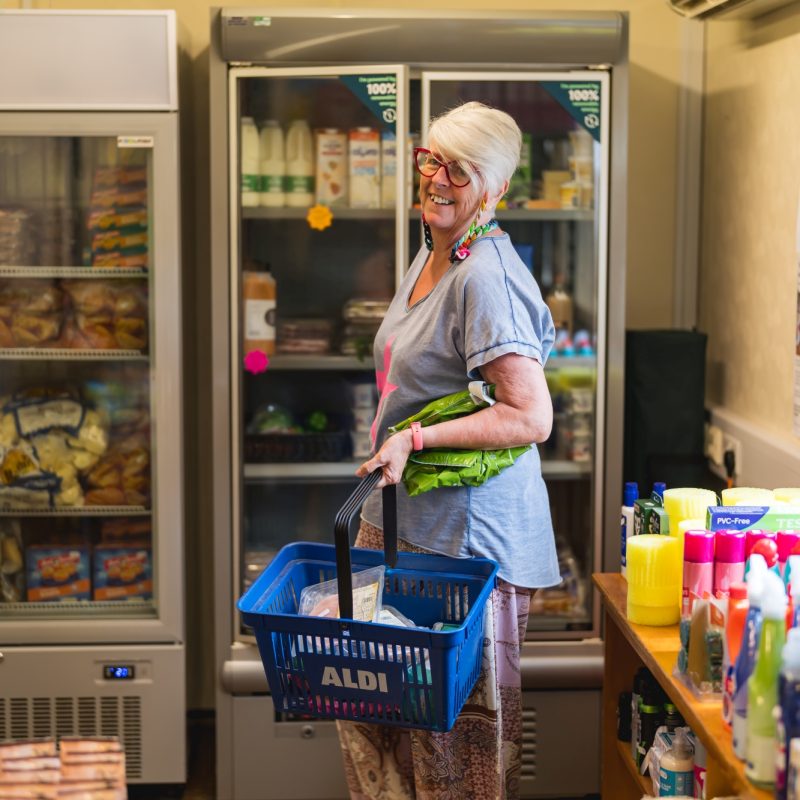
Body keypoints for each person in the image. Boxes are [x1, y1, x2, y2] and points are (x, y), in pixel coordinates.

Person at [336, 101, 561, 800]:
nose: (435, 177)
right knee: (395, 737)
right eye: (430, 157)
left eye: (457, 170)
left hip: (463, 549)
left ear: (491, 190)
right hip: (413, 527)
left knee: (454, 755)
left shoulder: (483, 276)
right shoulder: (436, 247)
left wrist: (415, 438)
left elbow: (530, 416)